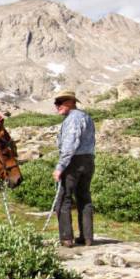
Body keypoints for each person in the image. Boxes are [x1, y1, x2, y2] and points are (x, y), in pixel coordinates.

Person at [53, 91, 95, 247]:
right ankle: (87, 237)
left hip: (73, 162)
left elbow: (70, 146)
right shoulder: (86, 116)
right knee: (84, 198)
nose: (57, 106)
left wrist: (60, 167)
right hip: (89, 160)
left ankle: (66, 238)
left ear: (71, 102)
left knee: (63, 199)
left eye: (60, 102)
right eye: (56, 103)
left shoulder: (72, 119)